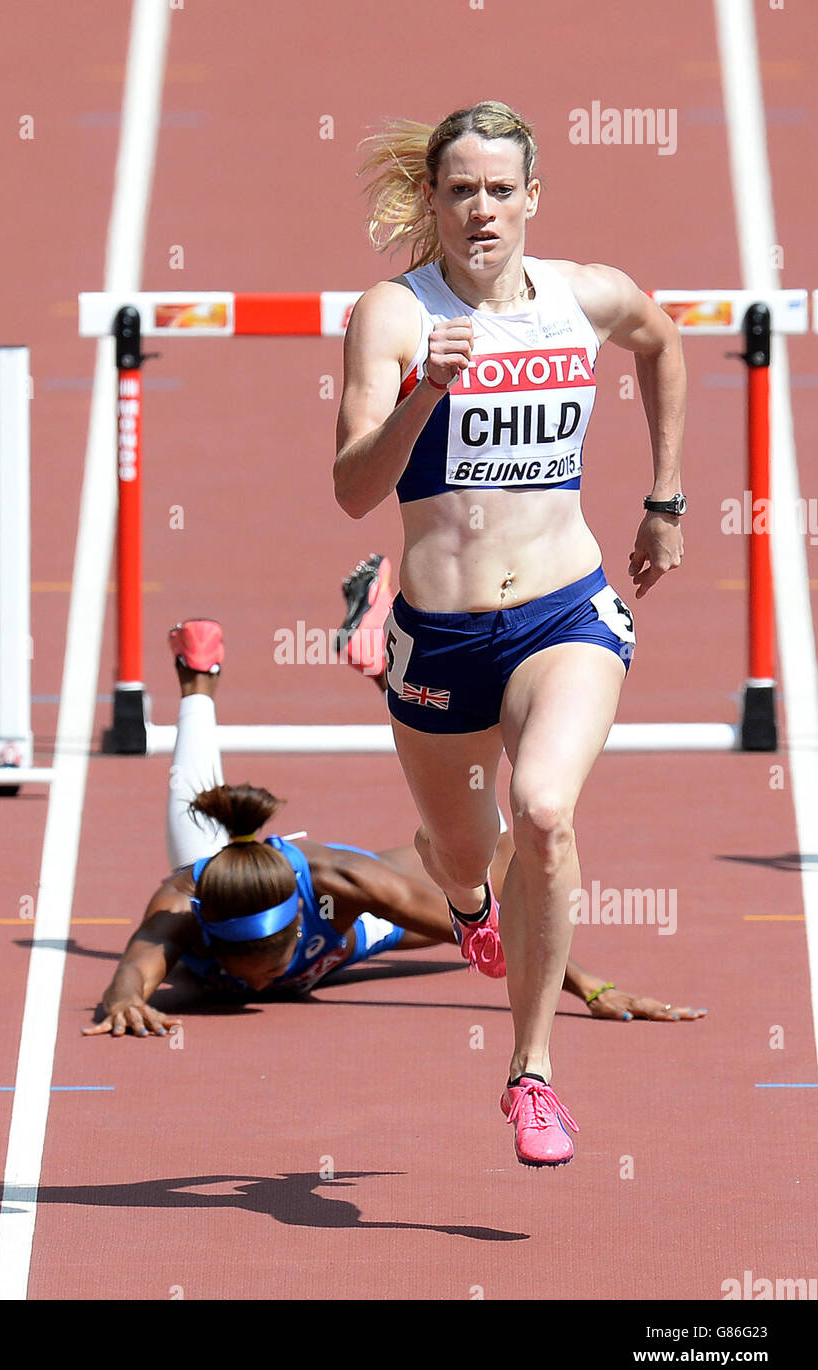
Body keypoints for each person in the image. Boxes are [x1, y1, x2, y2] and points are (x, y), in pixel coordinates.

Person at [333, 101, 686, 1165]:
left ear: (533, 198)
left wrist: (664, 496)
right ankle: (471, 901)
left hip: (563, 609)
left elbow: (661, 341)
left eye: (499, 189)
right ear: (432, 203)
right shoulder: (394, 314)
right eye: (459, 190)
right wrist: (418, 392)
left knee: (541, 810)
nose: (480, 208)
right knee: (459, 851)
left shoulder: (586, 296)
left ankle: (532, 1074)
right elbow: (354, 491)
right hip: (439, 638)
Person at [84, 616, 703, 1046]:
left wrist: (591, 988)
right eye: (245, 971)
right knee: (194, 831)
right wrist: (124, 1001)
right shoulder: (183, 907)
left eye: (267, 968)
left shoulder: (340, 882)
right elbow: (133, 969)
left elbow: (491, 934)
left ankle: (376, 673)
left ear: (299, 925)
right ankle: (204, 678)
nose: (257, 986)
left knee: (490, 871)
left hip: (346, 928)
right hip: (245, 891)